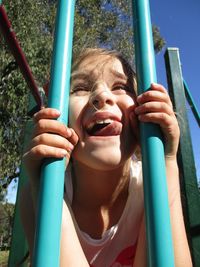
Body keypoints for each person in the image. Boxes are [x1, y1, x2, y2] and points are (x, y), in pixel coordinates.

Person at [20, 48, 192, 267]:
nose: (102, 96)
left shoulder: (150, 186)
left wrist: (165, 160)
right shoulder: (37, 193)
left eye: (120, 87)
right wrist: (45, 189)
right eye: (80, 88)